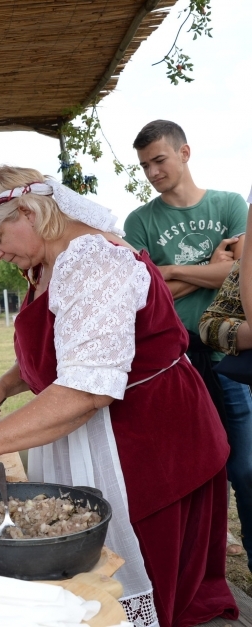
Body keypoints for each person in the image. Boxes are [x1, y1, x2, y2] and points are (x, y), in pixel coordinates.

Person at [0, 166, 237, 626]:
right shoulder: (47, 262)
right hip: (104, 433)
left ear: (29, 213)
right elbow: (68, 348)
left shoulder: (96, 262)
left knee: (139, 583)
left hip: (151, 443)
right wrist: (3, 385)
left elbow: (85, 389)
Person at [123, 120, 252, 567]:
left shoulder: (231, 204)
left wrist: (172, 270)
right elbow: (140, 292)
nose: (152, 172)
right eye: (144, 166)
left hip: (230, 354)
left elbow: (238, 273)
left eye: (159, 160)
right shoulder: (139, 221)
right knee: (191, 470)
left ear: (185, 153)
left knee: (245, 469)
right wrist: (207, 267)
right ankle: (203, 564)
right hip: (173, 362)